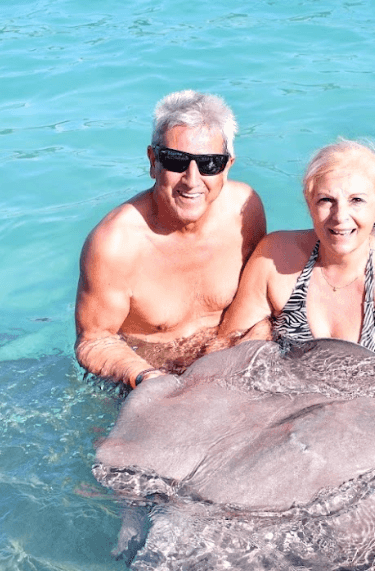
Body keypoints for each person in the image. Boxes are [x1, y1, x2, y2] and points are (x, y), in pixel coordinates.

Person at [74, 90, 267, 388]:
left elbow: (260, 296)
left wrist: (248, 345)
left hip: (231, 368)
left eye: (209, 164)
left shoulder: (245, 210)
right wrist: (149, 378)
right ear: (153, 161)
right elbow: (95, 341)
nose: (192, 180)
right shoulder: (116, 243)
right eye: (176, 161)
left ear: (227, 167)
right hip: (150, 381)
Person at [218, 139, 375, 382]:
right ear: (310, 203)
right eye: (326, 200)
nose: (340, 216)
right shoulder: (274, 258)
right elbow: (224, 357)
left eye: (357, 200)